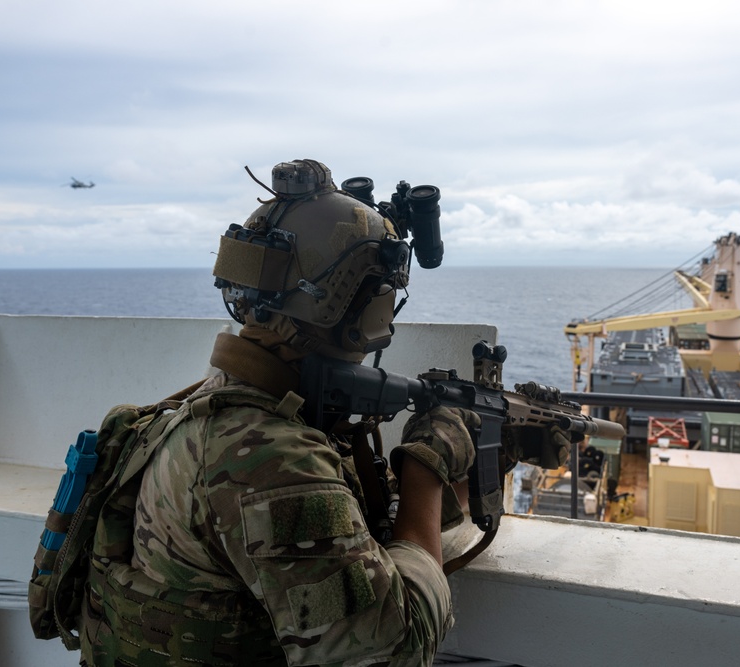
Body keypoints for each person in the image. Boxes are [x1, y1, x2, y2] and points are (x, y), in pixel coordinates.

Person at [78, 159, 477, 666]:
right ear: (356, 305)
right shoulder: (266, 458)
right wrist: (426, 466)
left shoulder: (206, 405)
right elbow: (396, 650)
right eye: (385, 294)